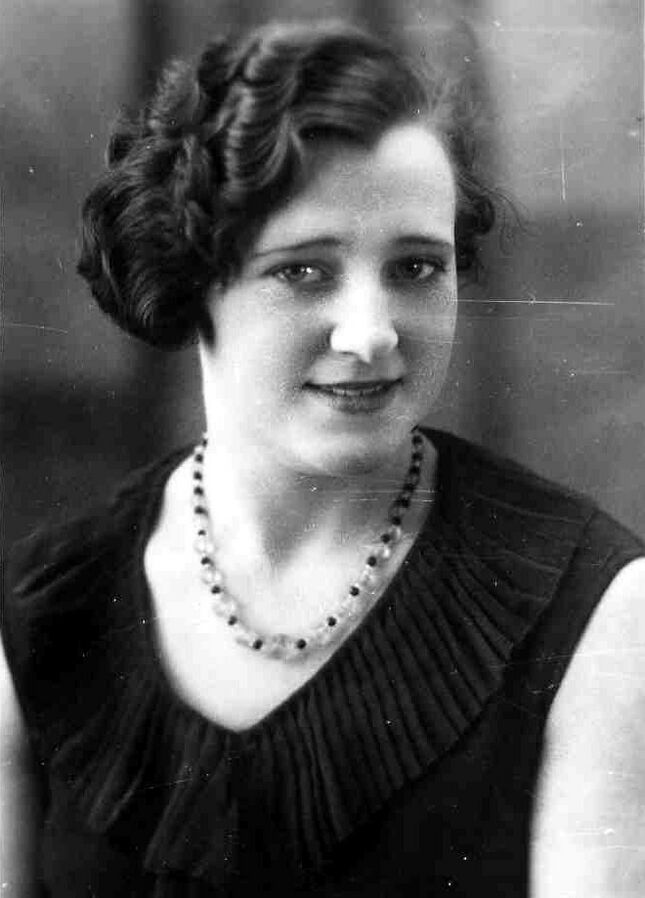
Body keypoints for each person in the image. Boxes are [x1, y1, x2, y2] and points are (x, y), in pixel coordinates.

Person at [2, 20, 644, 898]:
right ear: (192, 278)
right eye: (304, 271)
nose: (371, 333)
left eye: (416, 267)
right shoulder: (47, 613)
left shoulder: (599, 613)